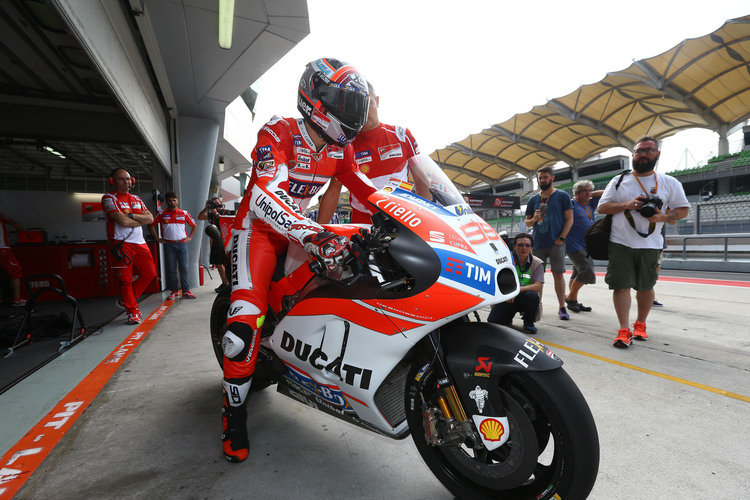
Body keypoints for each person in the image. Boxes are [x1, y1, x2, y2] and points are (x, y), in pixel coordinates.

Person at [219, 58, 376, 463]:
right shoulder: (278, 131)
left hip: (300, 232)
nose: (353, 116)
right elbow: (262, 195)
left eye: (356, 106)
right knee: (243, 325)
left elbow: (369, 193)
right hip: (257, 232)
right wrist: (313, 234)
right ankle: (232, 415)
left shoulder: (341, 149)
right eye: (346, 103)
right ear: (317, 99)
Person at [597, 136, 689, 348]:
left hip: (651, 244)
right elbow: (602, 208)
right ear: (633, 155)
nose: (643, 154)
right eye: (639, 151)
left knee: (645, 287)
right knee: (620, 286)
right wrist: (627, 204)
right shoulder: (619, 181)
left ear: (657, 154)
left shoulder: (669, 182)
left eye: (648, 150)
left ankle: (641, 324)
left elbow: (683, 209)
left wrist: (662, 217)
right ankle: (623, 329)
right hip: (620, 242)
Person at [316, 81, 430, 224]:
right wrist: (317, 233)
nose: (362, 111)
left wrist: (424, 221)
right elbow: (333, 192)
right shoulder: (344, 145)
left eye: (366, 102)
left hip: (402, 220)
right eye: (355, 107)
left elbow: (422, 183)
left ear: (377, 101)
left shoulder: (402, 135)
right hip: (363, 225)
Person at [101, 167, 158, 325]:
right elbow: (123, 222)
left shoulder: (137, 199)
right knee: (126, 280)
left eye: (128, 179)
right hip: (121, 244)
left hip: (140, 243)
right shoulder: (109, 198)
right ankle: (132, 311)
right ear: (113, 182)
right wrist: (140, 219)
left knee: (150, 273)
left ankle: (126, 300)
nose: (126, 182)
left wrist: (132, 215)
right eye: (121, 179)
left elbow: (150, 219)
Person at [525, 166, 574, 320]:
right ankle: (534, 306)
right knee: (536, 278)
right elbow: (527, 223)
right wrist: (534, 219)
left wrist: (562, 238)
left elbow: (570, 219)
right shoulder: (533, 199)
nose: (542, 180)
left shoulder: (562, 196)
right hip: (538, 243)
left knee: (558, 275)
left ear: (552, 178)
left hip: (556, 243)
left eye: (545, 177)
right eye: (540, 178)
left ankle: (562, 307)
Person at [487, 233, 544, 333]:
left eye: (527, 245)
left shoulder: (538, 263)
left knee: (532, 296)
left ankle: (528, 322)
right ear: (514, 246)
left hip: (525, 297)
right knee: (492, 321)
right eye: (520, 245)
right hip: (508, 298)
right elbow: (499, 282)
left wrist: (516, 290)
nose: (524, 248)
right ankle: (507, 317)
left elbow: (537, 286)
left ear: (531, 247)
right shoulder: (506, 261)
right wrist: (510, 292)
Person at [564, 180, 604, 313]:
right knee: (587, 270)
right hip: (574, 244)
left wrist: (591, 194)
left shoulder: (590, 204)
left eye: (589, 190)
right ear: (576, 193)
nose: (588, 193)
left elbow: (605, 193)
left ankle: (573, 300)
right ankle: (570, 298)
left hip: (586, 244)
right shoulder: (571, 204)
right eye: (585, 191)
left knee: (577, 272)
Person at [149, 191, 197, 300]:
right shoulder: (161, 213)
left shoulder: (184, 213)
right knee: (171, 269)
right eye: (170, 200)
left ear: (177, 201)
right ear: (167, 201)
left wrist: (190, 237)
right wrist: (157, 238)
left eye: (174, 200)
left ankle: (186, 291)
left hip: (182, 244)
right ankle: (174, 291)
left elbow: (194, 225)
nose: (172, 202)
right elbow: (151, 225)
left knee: (184, 268)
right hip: (169, 245)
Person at [198, 197, 233, 293]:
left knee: (226, 263)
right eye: (213, 203)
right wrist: (206, 209)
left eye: (216, 203)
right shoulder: (211, 214)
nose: (215, 204)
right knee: (218, 263)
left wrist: (215, 212)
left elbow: (223, 219)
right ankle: (224, 283)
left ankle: (228, 283)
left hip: (225, 241)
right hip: (215, 242)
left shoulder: (226, 212)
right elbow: (200, 217)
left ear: (220, 203)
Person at [0, 212, 26, 306]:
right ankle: (17, 299)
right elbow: (17, 226)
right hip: (2, 250)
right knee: (16, 271)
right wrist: (21, 230)